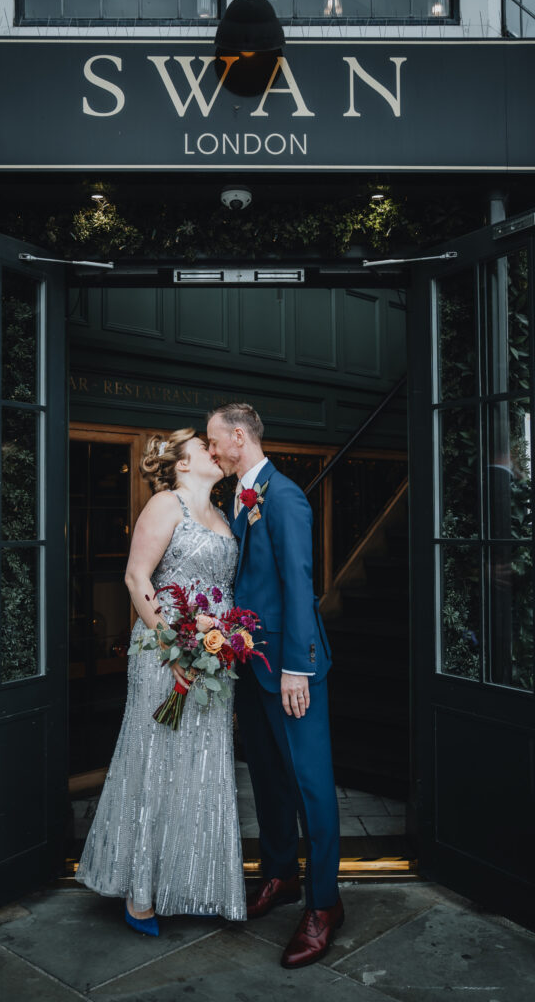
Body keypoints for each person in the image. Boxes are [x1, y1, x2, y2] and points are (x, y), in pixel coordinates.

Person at [76, 428, 246, 934]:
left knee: (205, 768)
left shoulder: (224, 513)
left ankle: (194, 882)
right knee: (156, 763)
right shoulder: (165, 505)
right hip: (163, 655)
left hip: (214, 661)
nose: (213, 452)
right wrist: (174, 644)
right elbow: (135, 578)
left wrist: (226, 640)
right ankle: (141, 894)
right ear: (182, 463)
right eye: (203, 446)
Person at [206, 402, 342, 970]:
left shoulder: (282, 497)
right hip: (250, 668)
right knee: (266, 780)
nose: (211, 451)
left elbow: (299, 584)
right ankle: (281, 875)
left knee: (311, 787)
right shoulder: (238, 500)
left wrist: (296, 667)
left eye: (215, 442)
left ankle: (325, 906)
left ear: (240, 437)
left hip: (289, 671)